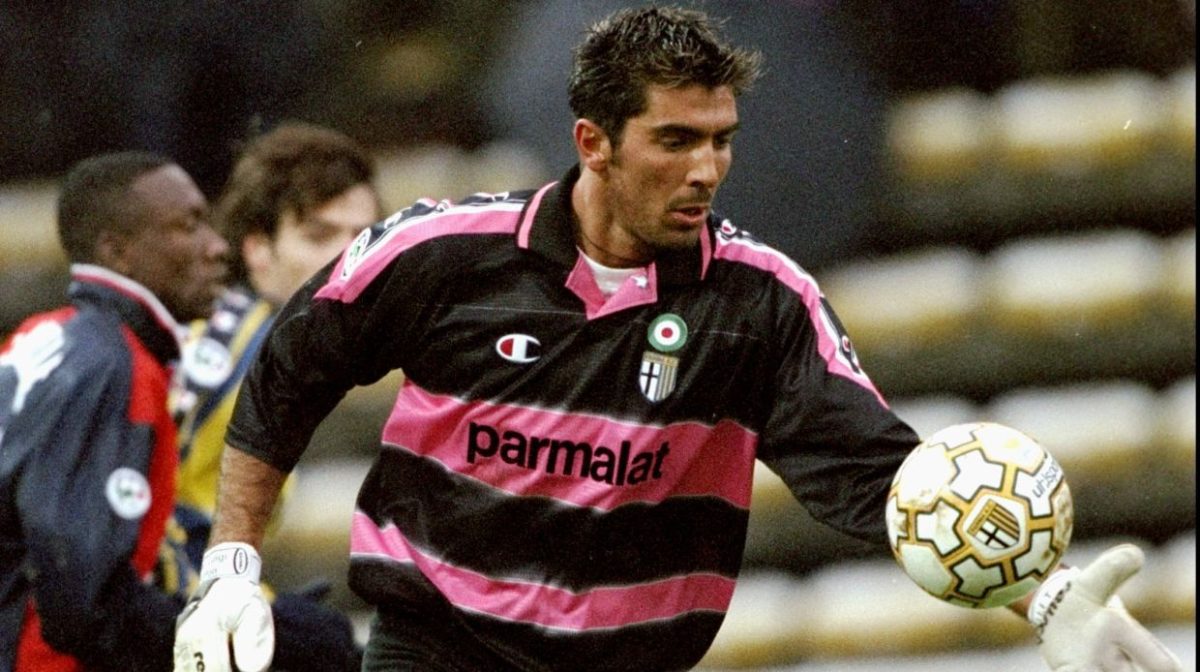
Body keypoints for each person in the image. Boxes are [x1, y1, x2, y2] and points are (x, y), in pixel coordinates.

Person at [173, 7, 1184, 672]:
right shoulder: (440, 254)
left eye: (720, 140)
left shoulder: (761, 303)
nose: (706, 169)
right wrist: (230, 567)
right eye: (675, 140)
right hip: (438, 648)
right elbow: (288, 376)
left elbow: (877, 473)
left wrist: (1044, 597)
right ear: (593, 143)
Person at [0, 151, 228, 670]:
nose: (217, 246)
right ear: (118, 251)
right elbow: (85, 606)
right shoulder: (115, 367)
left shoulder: (43, 336)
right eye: (188, 226)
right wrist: (250, 640)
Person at [171, 121, 383, 672]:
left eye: (367, 237)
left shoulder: (286, 346)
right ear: (258, 250)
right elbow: (127, 532)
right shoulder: (225, 353)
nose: (352, 258)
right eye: (319, 235)